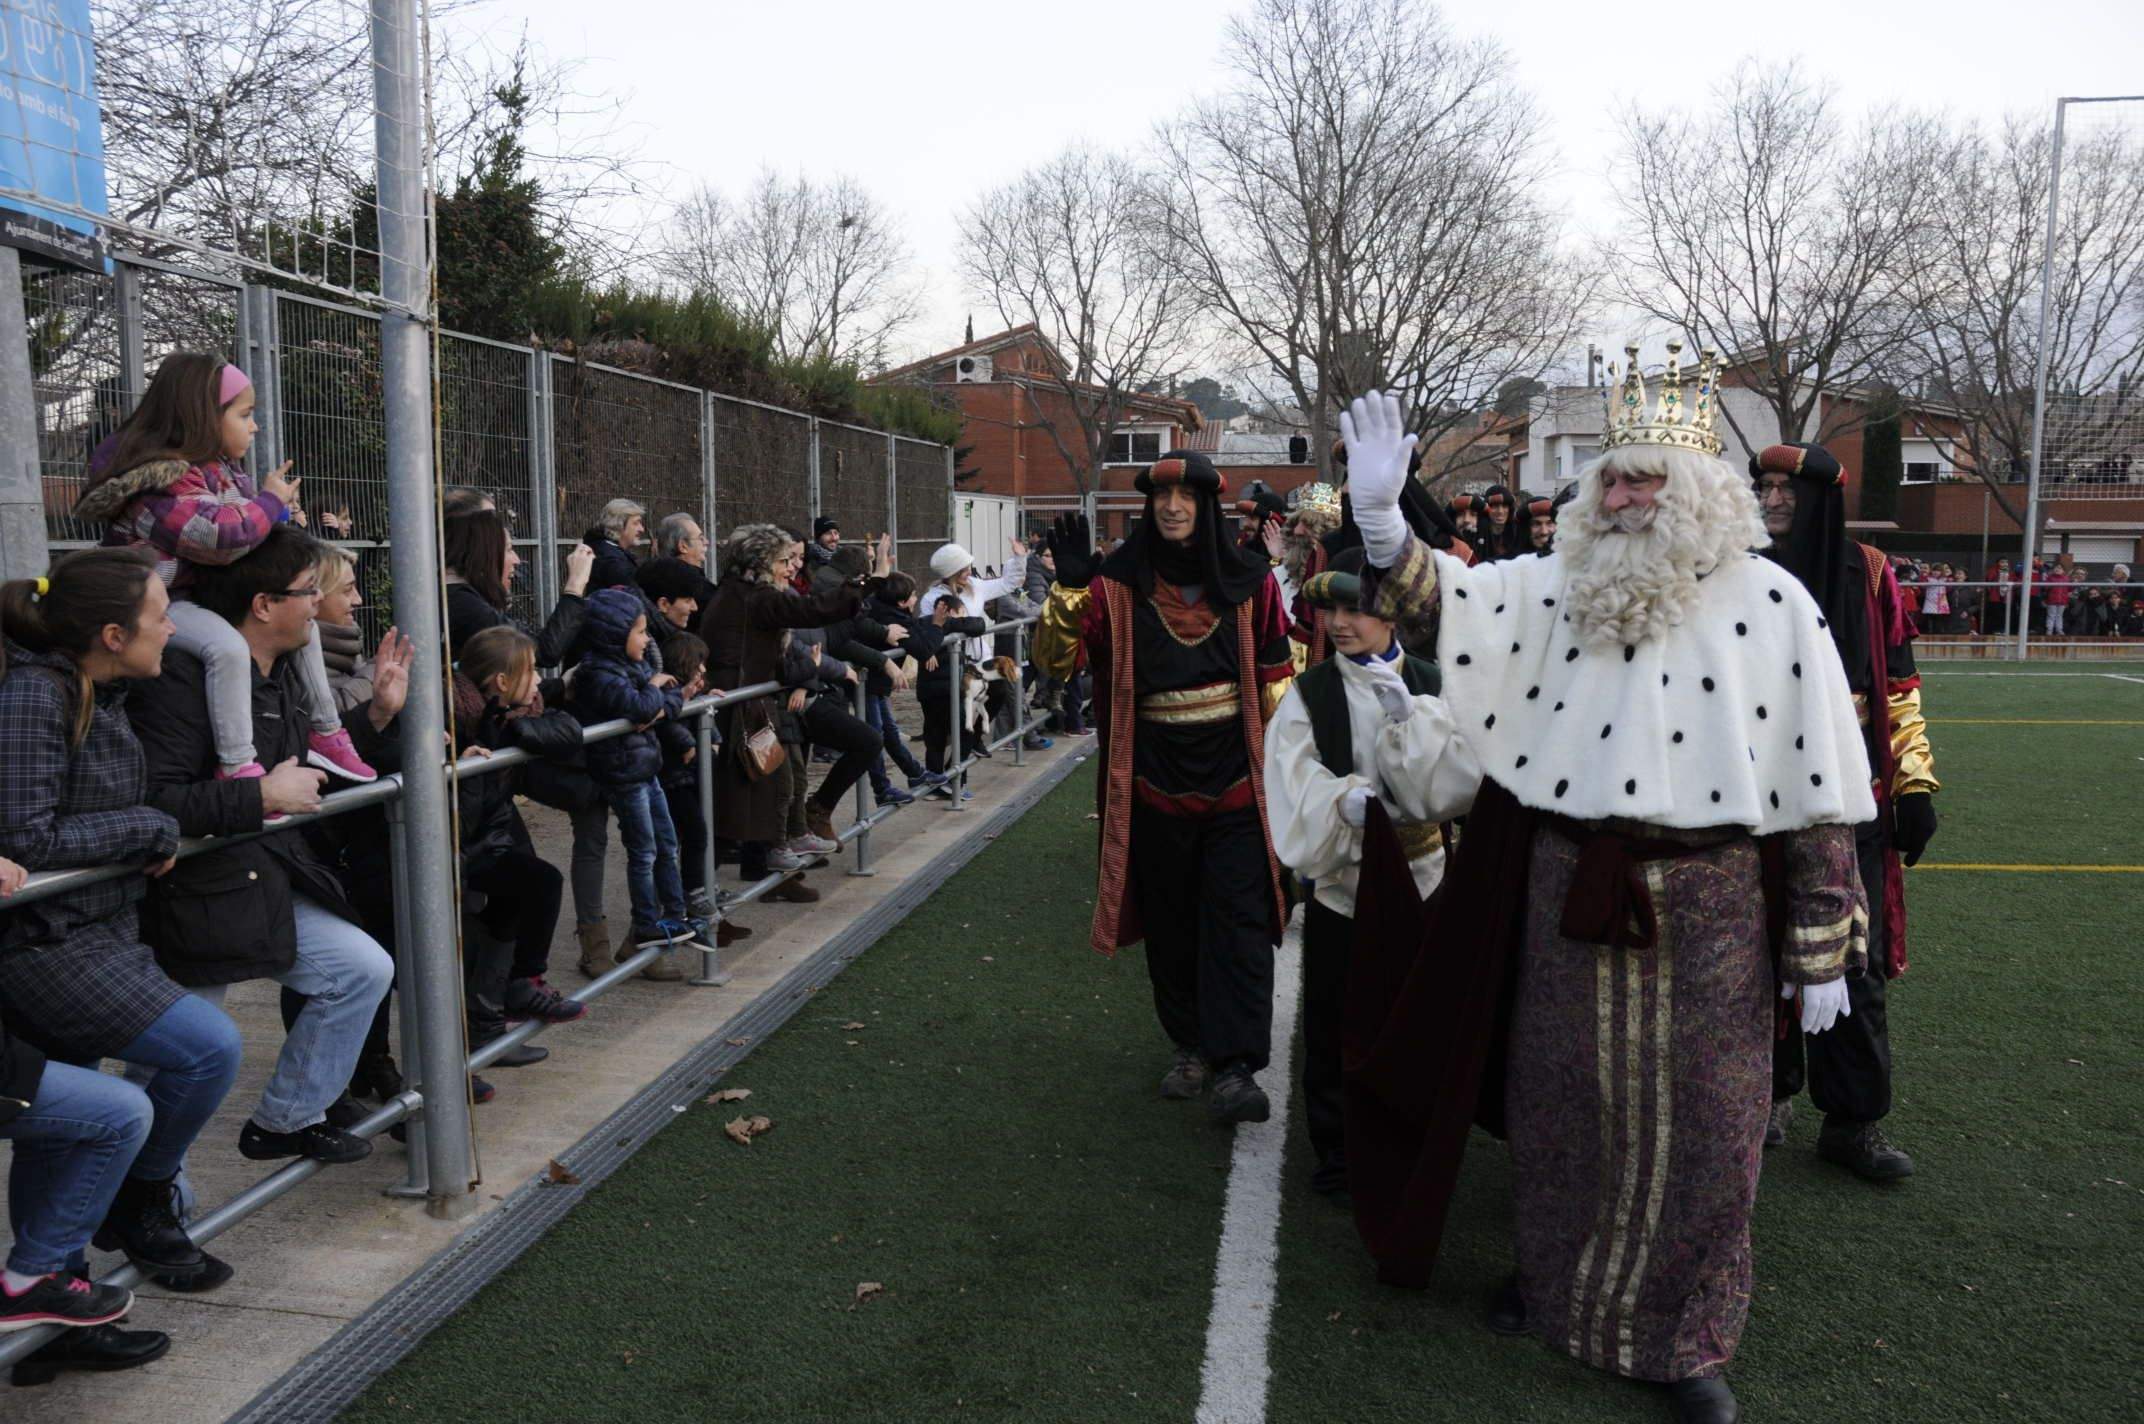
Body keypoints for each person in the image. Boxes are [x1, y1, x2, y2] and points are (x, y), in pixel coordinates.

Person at [1341, 355, 1873, 1424]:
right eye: (1610, 482)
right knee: (1559, 1107)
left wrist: (1822, 937)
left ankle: (1682, 1338)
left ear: (1700, 491)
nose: (1623, 500)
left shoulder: (1774, 600)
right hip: (1563, 879)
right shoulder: (1552, 579)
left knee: (1711, 1135)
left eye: (1645, 481)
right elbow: (1449, 601)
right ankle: (1555, 1288)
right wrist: (1382, 523)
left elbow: (1820, 779)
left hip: (1712, 900)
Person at [0, 549, 244, 1305]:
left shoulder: (98, 693)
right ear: (112, 634)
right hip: (46, 943)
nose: (172, 627)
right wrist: (147, 826)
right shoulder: (36, 696)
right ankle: (138, 1202)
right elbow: (25, 840)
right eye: (157, 615)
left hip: (99, 930)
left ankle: (52, 1294)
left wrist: (147, 829)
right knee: (208, 1049)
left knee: (73, 1122)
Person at [1033, 450, 1296, 1125]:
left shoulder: (1250, 582)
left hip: (1237, 785)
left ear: (1207, 507)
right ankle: (1190, 1047)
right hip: (1151, 783)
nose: (1173, 506)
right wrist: (1065, 595)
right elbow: (1053, 665)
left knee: (1236, 923)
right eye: (1160, 496)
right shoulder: (1115, 588)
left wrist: (1297, 771)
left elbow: (1276, 683)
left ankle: (1237, 1066)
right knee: (1174, 922)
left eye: (1187, 496)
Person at [129, 525, 395, 1167]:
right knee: (175, 1065)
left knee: (362, 969)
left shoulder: (279, 676)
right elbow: (156, 801)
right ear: (264, 605)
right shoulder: (182, 684)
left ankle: (285, 1119)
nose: (324, 606)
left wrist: (380, 716)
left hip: (256, 880)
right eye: (311, 592)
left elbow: (312, 772)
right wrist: (263, 798)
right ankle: (142, 1197)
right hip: (192, 901)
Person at [1261, 551, 1480, 1204]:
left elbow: (1466, 777)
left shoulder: (1435, 681)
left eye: (1355, 608)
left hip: (1423, 877)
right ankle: (1336, 1146)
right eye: (1330, 609)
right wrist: (1342, 802)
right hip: (1344, 884)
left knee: (1415, 1016)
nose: (1339, 623)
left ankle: (1413, 1136)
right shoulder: (1312, 691)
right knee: (1334, 1019)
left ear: (1390, 614)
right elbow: (1289, 772)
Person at [1753, 441, 1939, 1183]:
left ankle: (1853, 1120)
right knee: (1757, 954)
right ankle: (1765, 1096)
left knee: (1851, 961)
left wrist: (1915, 784)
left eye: (1784, 488)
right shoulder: (1738, 564)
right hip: (1753, 793)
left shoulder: (1869, 571)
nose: (1770, 499)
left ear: (1819, 497)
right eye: (1762, 486)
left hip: (1848, 792)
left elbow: (1898, 681)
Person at [68, 352, 376, 787]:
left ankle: (326, 732)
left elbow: (255, 532)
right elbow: (220, 537)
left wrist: (278, 515)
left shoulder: (221, 470)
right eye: (245, 415)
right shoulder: (157, 481)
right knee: (227, 649)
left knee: (303, 623)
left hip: (197, 594)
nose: (254, 427)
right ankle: (237, 767)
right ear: (205, 417)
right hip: (155, 602)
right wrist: (269, 503)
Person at [441, 508, 615, 978]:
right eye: (510, 550)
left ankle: (506, 993)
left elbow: (531, 671)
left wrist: (554, 689)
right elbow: (542, 653)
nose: (517, 561)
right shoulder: (463, 604)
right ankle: (504, 993)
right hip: (479, 766)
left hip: (493, 758)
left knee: (534, 874)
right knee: (522, 884)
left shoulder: (470, 600)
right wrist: (576, 586)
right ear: (484, 553)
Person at [697, 525, 860, 905]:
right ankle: (699, 898)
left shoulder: (747, 595)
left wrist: (803, 672)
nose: (792, 568)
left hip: (748, 711)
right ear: (762, 562)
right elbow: (812, 609)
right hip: (737, 714)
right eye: (784, 561)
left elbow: (783, 659)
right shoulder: (757, 597)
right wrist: (864, 586)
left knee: (771, 786)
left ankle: (770, 861)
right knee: (731, 809)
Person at [452, 626, 589, 1035]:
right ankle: (519, 986)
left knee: (513, 904)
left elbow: (566, 732)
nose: (538, 682)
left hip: (487, 837)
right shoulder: (461, 717)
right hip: (458, 847)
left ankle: (493, 1019)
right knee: (539, 883)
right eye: (530, 672)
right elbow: (466, 807)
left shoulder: (508, 714)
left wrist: (517, 730)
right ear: (502, 682)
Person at [569, 588, 700, 967]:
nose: (647, 640)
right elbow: (644, 707)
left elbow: (659, 707)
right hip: (622, 772)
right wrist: (656, 693)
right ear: (615, 633)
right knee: (643, 851)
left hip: (646, 767)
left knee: (667, 842)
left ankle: (675, 915)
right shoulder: (600, 672)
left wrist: (661, 698)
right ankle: (646, 922)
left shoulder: (635, 668)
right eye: (640, 632)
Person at [584, 499, 646, 591]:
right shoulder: (612, 560)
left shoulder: (607, 551)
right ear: (618, 524)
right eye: (635, 523)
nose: (642, 529)